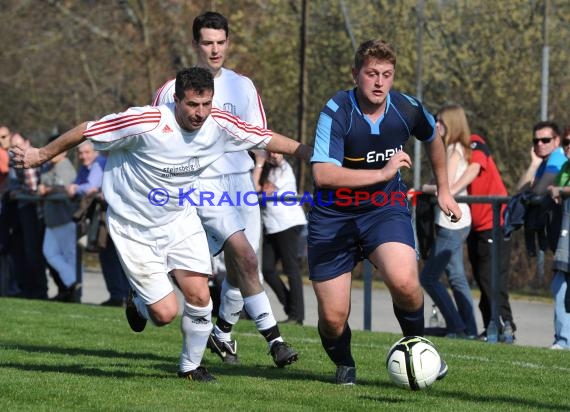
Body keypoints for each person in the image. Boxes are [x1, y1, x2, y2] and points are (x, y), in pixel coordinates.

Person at [11, 67, 311, 382]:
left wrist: (312, 155)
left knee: (200, 296)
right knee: (165, 313)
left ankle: (190, 368)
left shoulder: (218, 124)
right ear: (176, 100)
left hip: (180, 219)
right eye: (193, 105)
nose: (200, 113)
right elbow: (88, 129)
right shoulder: (146, 122)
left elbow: (266, 137)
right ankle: (138, 301)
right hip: (134, 227)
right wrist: (40, 155)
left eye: (206, 104)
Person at [308, 39, 460, 385]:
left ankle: (419, 349)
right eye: (371, 73)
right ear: (355, 74)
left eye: (387, 74)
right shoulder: (337, 110)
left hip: (384, 209)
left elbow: (433, 138)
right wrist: (381, 173)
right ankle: (345, 362)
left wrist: (446, 190)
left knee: (406, 282)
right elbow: (323, 174)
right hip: (333, 217)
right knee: (333, 319)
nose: (379, 82)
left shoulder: (406, 108)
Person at [152, 11, 298, 368]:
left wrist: (270, 157)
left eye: (221, 42)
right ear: (195, 44)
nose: (215, 50)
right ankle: (272, 339)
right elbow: (157, 141)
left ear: (228, 43)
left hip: (240, 183)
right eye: (207, 43)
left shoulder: (242, 86)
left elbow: (258, 135)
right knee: (220, 264)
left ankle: (222, 333)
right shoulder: (172, 91)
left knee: (243, 270)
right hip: (200, 187)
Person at [450, 113, 515, 341]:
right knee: (481, 278)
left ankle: (506, 326)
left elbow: (475, 168)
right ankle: (490, 327)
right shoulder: (452, 153)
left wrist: (449, 191)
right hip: (475, 227)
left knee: (492, 278)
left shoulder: (474, 143)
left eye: (441, 123)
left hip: (494, 224)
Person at [420, 105, 477, 339]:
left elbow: (447, 188)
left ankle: (457, 326)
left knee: (428, 277)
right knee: (456, 277)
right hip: (453, 222)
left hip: (453, 222)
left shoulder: (454, 150)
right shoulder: (451, 149)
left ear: (452, 123)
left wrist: (422, 188)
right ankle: (469, 330)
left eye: (441, 122)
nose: (436, 126)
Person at [254, 152, 307, 325]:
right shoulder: (267, 171)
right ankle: (291, 308)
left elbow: (261, 190)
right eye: (270, 152)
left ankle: (297, 315)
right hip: (271, 226)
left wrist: (260, 164)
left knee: (291, 269)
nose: (274, 155)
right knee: (268, 270)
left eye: (277, 151)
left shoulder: (285, 169)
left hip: (288, 224)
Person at [38, 139, 78, 302]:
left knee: (70, 256)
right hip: (51, 220)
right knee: (49, 253)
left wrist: (46, 189)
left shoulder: (65, 165)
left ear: (65, 151)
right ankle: (72, 283)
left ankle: (73, 288)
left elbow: (66, 188)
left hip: (64, 218)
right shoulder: (48, 167)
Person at [546, 125, 570, 350]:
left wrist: (560, 191)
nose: (569, 147)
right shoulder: (565, 167)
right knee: (560, 284)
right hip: (565, 239)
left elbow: (560, 190)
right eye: (566, 143)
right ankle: (563, 340)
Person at [517, 121, 566, 196]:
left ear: (557, 141)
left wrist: (529, 194)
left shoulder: (558, 156)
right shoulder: (542, 162)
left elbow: (539, 191)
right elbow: (520, 191)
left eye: (545, 140)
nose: (539, 144)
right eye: (536, 141)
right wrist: (534, 164)